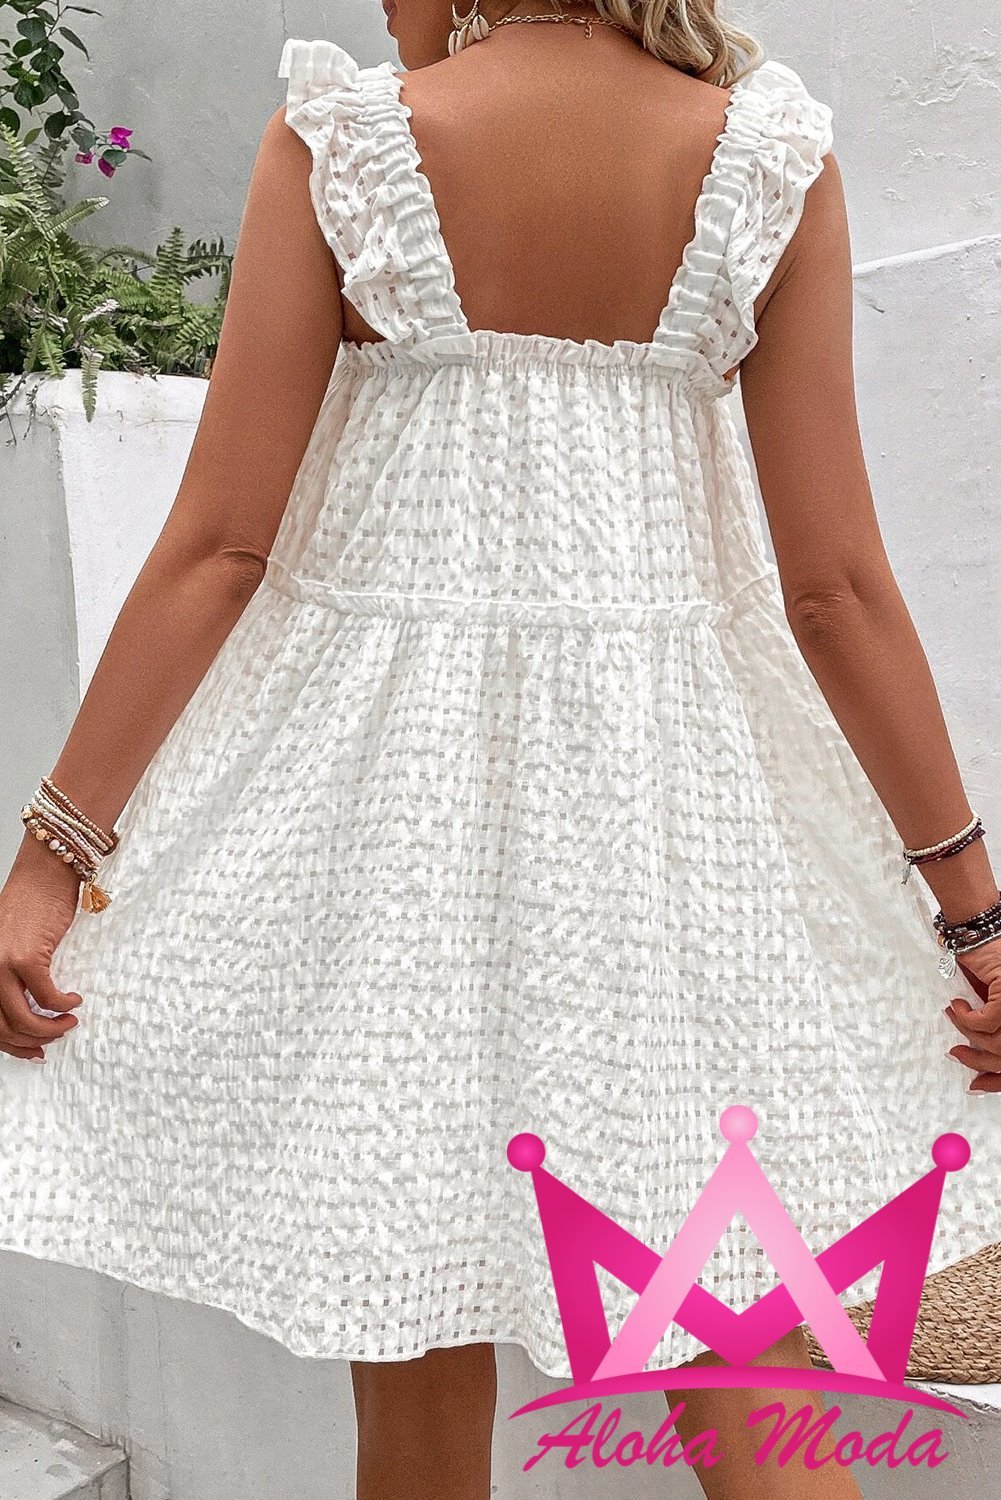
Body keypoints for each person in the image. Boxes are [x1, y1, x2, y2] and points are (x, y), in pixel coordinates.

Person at [0, 1, 998, 1497]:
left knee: (413, 1354)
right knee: (724, 1343)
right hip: (674, 831)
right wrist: (973, 912)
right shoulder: (764, 157)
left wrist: (51, 857)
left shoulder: (348, 144)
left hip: (398, 834)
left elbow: (219, 547)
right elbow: (835, 594)